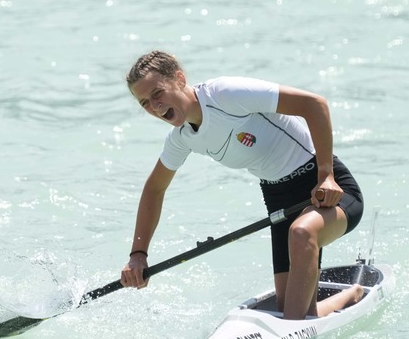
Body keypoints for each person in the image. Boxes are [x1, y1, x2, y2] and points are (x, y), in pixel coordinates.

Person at [119, 50, 364, 319]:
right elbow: (154, 189)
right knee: (294, 308)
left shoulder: (225, 94)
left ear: (179, 79)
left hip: (326, 189)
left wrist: (326, 176)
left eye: (157, 93)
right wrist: (138, 254)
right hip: (280, 202)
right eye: (144, 103)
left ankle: (294, 330)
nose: (154, 106)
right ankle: (350, 295)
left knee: (302, 235)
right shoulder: (182, 138)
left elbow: (315, 104)